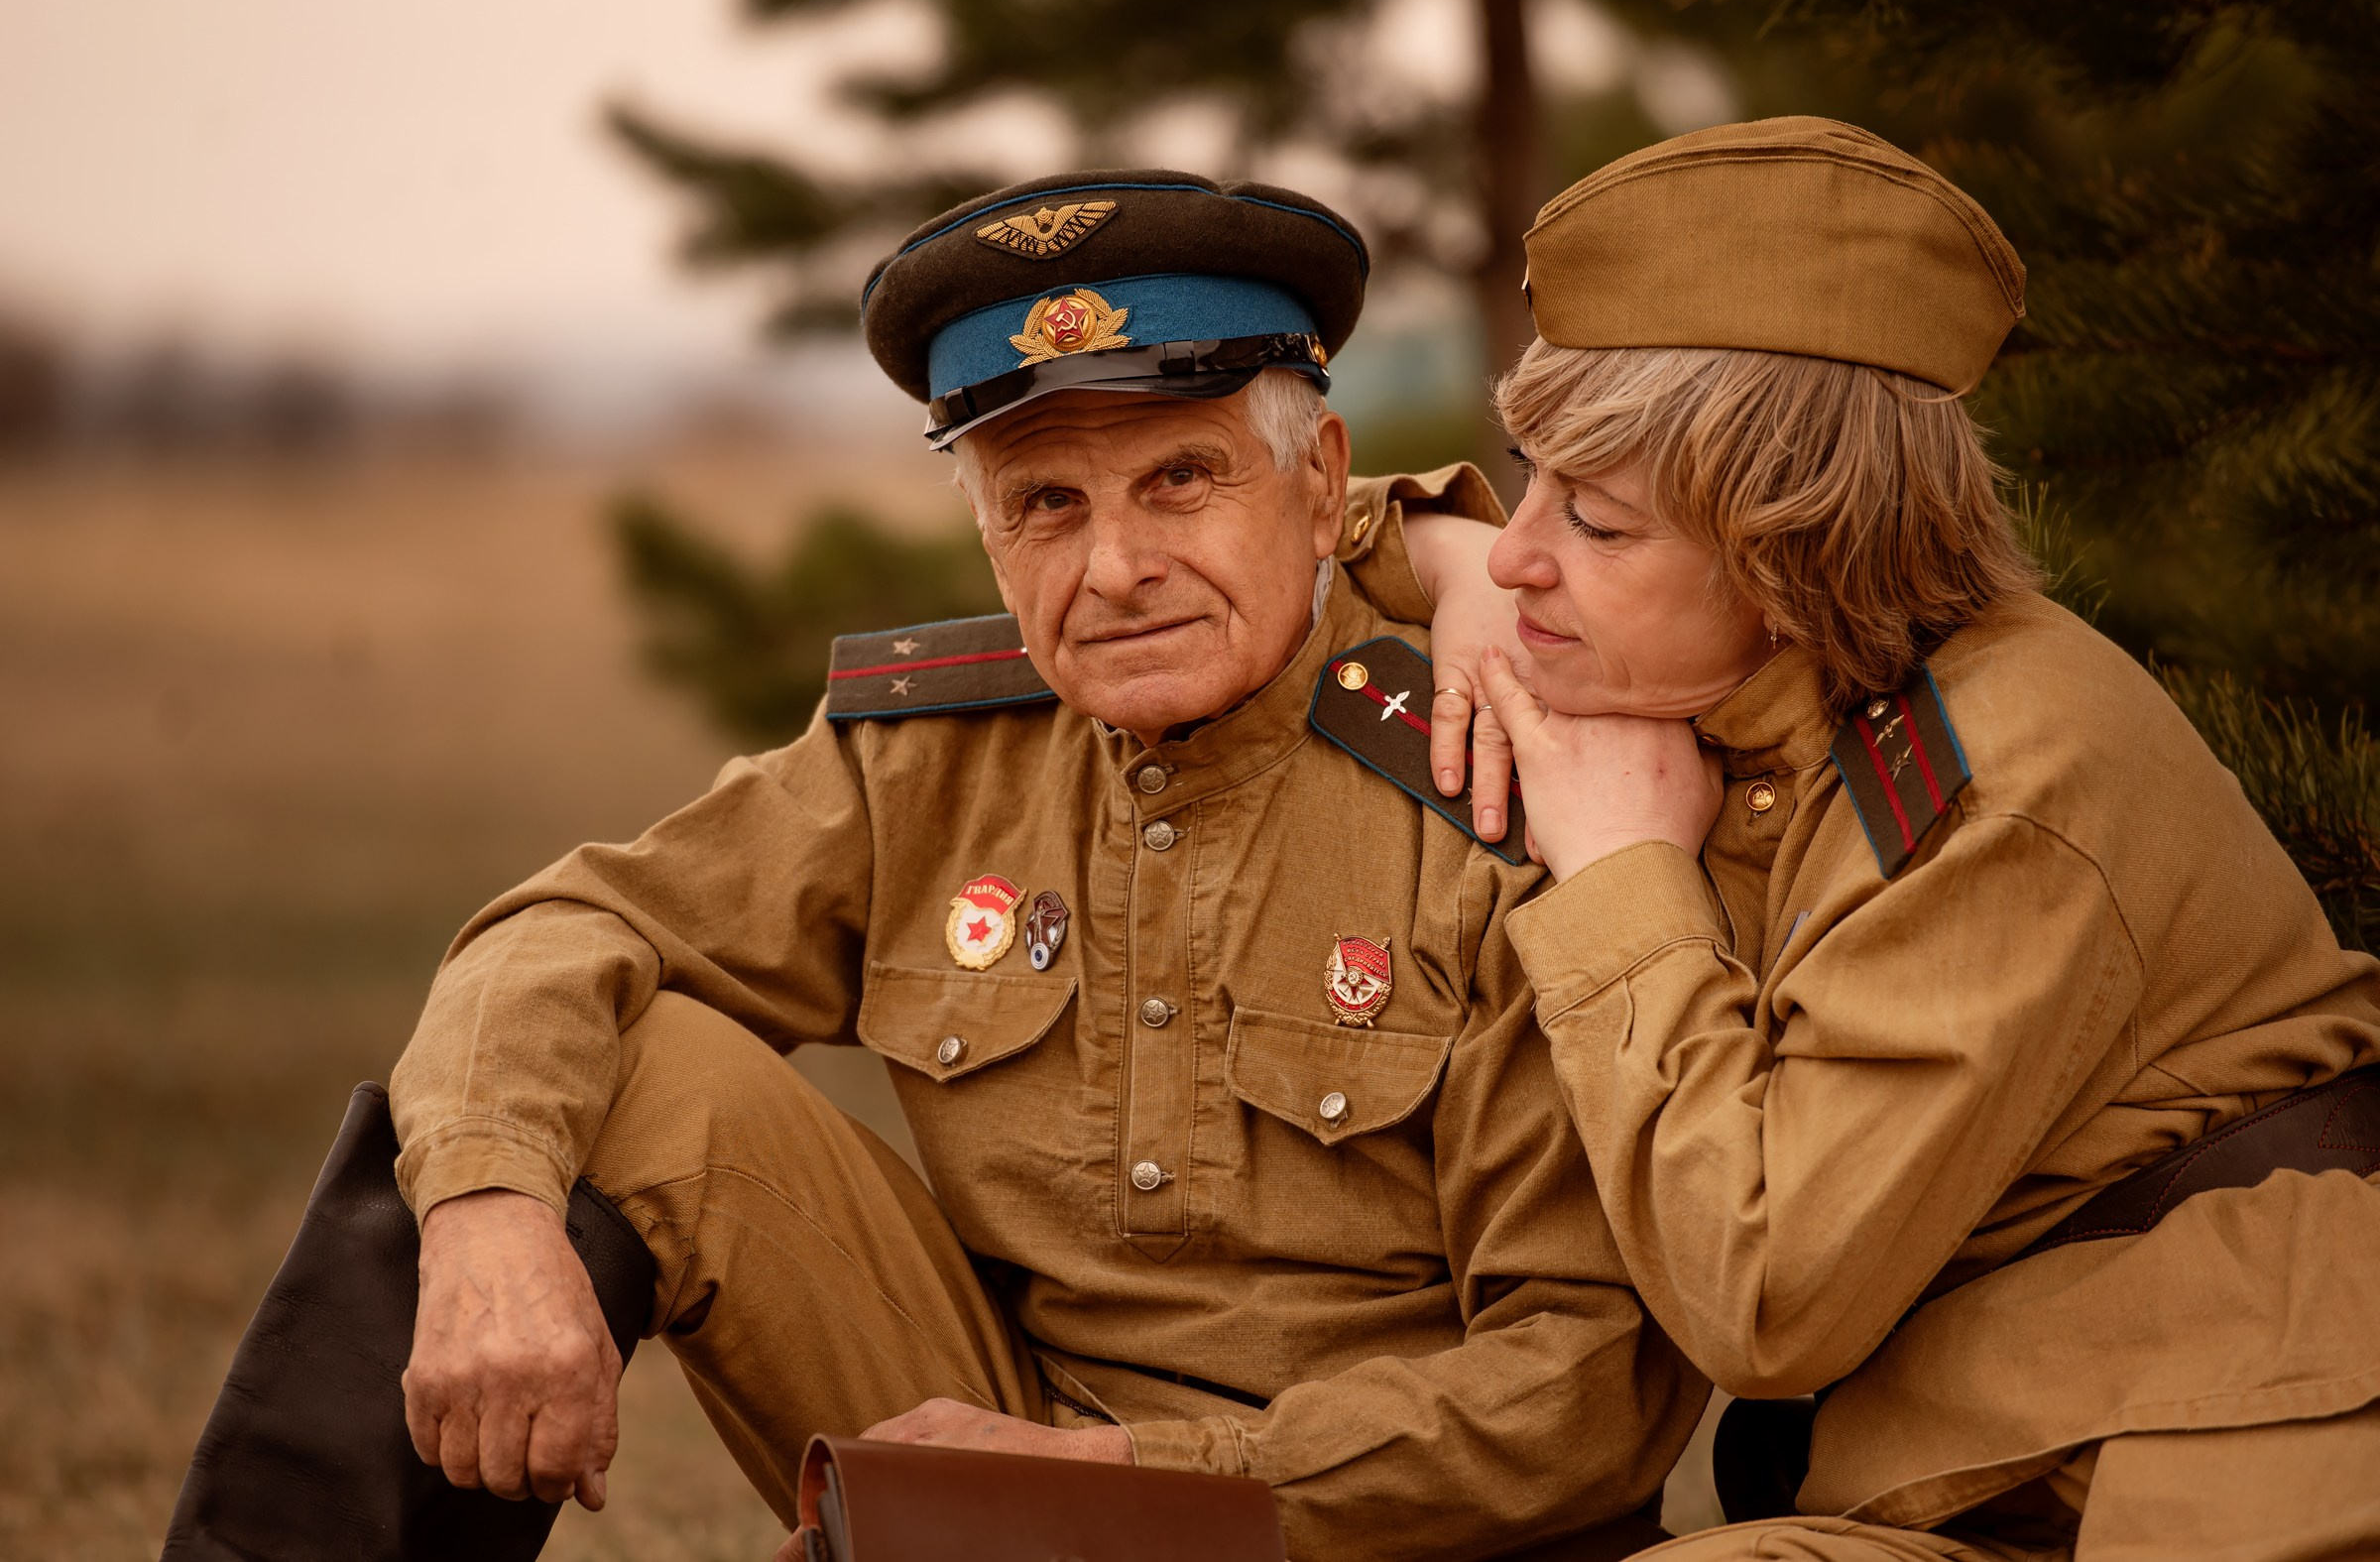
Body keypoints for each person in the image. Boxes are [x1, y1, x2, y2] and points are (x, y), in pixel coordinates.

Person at [388, 169, 1704, 1561]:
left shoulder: (1490, 774)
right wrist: (483, 1212)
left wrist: (1130, 1480)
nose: (1116, 566)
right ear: (987, 534)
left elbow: (1580, 1385)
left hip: (1364, 1528)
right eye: (1047, 503)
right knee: (619, 1069)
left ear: (1322, 488)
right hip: (1005, 1471)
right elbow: (561, 928)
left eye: (1180, 479)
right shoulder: (928, 755)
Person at [1393, 118, 2380, 1559]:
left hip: (2208, 1459)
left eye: (1596, 522)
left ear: (1795, 551)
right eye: (1522, 478)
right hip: (2005, 1443)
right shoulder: (1755, 682)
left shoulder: (2001, 782)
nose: (1523, 551)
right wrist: (1433, 551)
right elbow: (1249, 524)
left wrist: (1623, 882)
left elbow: (1766, 1295)